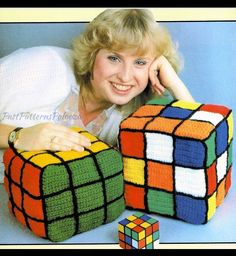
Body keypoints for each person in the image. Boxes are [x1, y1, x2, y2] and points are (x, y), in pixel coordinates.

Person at [0, 8, 194, 182]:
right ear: (92, 55)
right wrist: (17, 136)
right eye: (114, 58)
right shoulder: (39, 66)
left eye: (140, 63)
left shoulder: (132, 116)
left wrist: (174, 83)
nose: (125, 76)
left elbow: (194, 152)